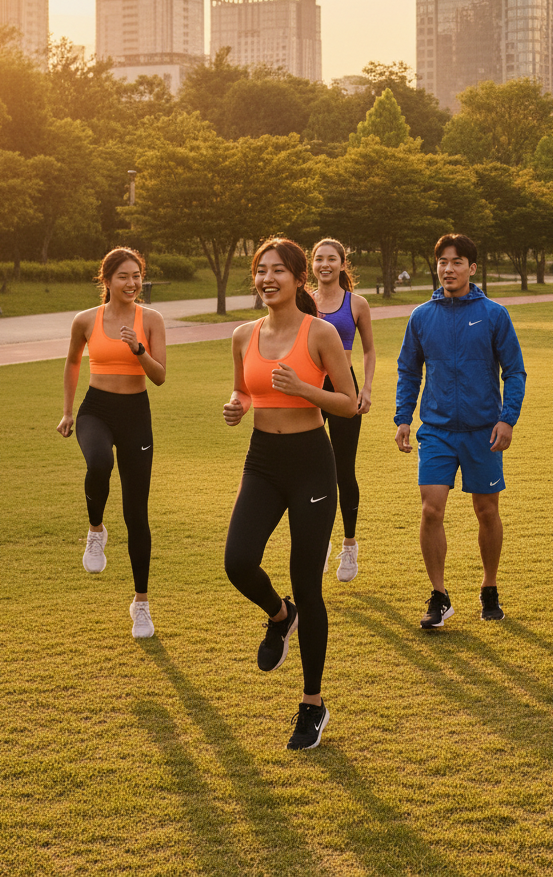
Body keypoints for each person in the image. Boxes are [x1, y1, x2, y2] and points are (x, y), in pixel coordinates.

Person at [223, 237, 357, 749]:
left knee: (307, 581)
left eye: (278, 270)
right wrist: (236, 405)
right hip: (263, 460)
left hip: (309, 464)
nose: (266, 278)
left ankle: (312, 704)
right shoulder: (242, 335)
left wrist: (304, 390)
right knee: (237, 561)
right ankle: (281, 617)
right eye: (260, 270)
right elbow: (242, 389)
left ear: (299, 279)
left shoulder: (319, 333)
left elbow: (347, 403)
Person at [395, 233, 526, 628]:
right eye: (442, 263)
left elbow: (514, 371)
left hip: (482, 431)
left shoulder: (493, 314)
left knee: (486, 510)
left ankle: (489, 587)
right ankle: (439, 595)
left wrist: (507, 418)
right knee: (431, 508)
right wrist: (404, 417)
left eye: (456, 262)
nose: (448, 269)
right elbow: (408, 369)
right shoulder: (421, 316)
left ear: (472, 267)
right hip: (435, 430)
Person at [57, 248, 167, 638]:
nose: (132, 283)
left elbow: (160, 377)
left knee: (137, 513)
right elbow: (72, 362)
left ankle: (141, 604)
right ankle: (96, 530)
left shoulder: (151, 320)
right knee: (99, 463)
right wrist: (69, 411)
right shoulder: (86, 320)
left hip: (136, 413)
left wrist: (138, 349)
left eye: (137, 275)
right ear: (106, 280)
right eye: (124, 276)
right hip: (96, 409)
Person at [311, 238, 376, 582]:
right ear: (312, 264)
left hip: (343, 386)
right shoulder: (303, 301)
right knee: (310, 468)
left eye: (331, 259)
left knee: (343, 468)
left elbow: (368, 350)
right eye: (319, 259)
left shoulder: (357, 303)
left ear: (341, 264)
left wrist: (365, 388)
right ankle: (320, 543)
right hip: (309, 389)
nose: (325, 264)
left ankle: (348, 545)